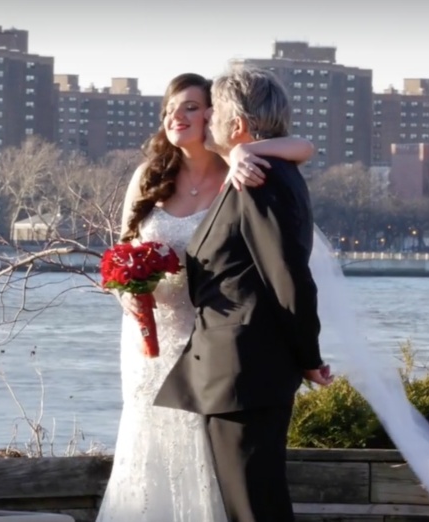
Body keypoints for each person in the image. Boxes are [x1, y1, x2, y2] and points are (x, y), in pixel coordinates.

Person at [155, 67, 429, 522]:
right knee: (250, 504)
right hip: (239, 370)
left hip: (246, 370)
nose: (209, 119)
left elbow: (288, 276)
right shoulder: (261, 168)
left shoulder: (259, 178)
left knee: (255, 508)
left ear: (237, 123)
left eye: (214, 110)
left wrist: (307, 355)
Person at [96, 72, 315, 522]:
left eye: (194, 107)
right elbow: (121, 254)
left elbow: (301, 150)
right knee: (150, 453)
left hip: (215, 339)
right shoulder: (148, 177)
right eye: (171, 108)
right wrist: (131, 296)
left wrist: (246, 151)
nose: (179, 115)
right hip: (152, 340)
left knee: (226, 471)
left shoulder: (239, 169)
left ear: (217, 116)